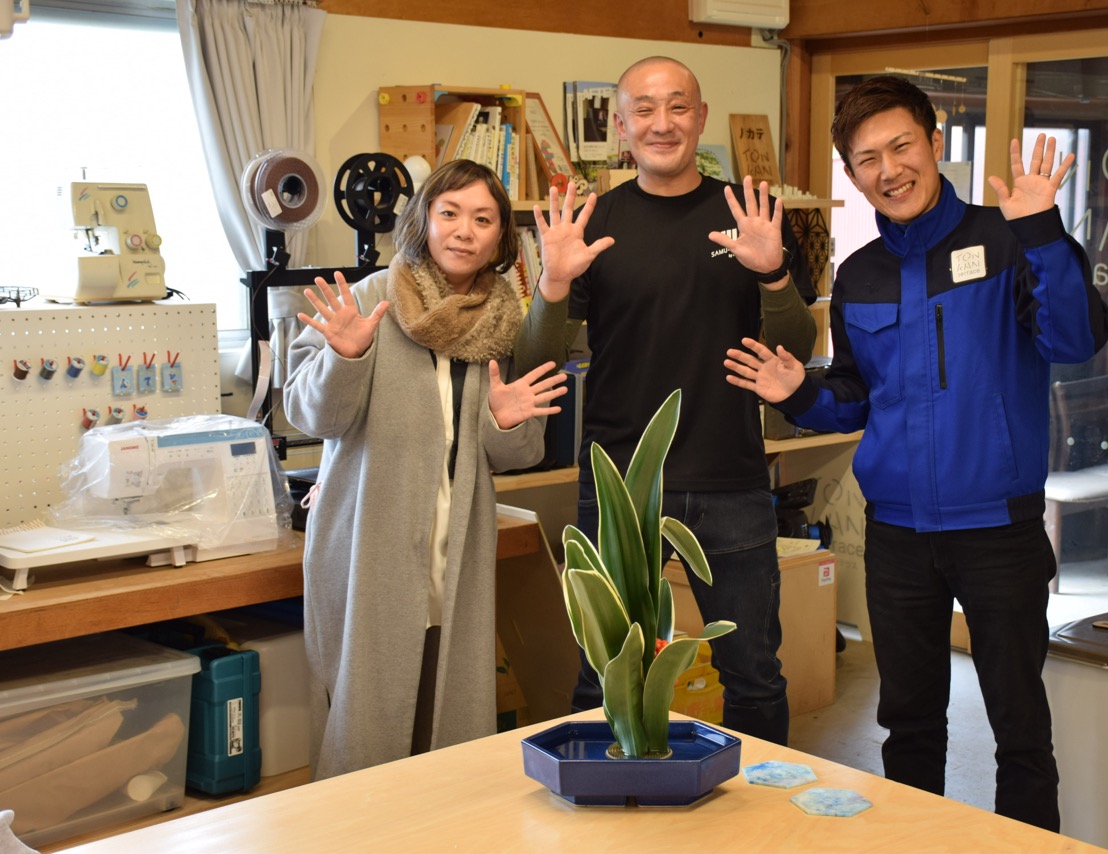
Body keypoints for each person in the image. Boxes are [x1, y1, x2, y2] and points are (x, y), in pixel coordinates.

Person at [724, 75, 1108, 830]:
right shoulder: (859, 272)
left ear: (935, 143)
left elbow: (1076, 340)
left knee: (1020, 730)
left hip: (998, 529)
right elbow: (856, 393)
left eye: (902, 145)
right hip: (899, 536)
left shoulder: (1008, 240)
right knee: (908, 727)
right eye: (867, 158)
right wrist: (796, 393)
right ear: (852, 172)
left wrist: (1044, 232)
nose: (888, 169)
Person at [515, 56, 818, 747]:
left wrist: (772, 273)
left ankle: (756, 822)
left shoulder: (747, 215)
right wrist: (553, 284)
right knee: (603, 674)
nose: (662, 123)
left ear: (701, 118)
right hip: (622, 486)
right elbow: (533, 363)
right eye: (644, 109)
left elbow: (797, 343)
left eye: (678, 107)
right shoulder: (598, 221)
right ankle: (604, 810)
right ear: (621, 126)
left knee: (754, 674)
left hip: (732, 480)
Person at [283, 159, 567, 779]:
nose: (464, 230)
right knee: (365, 716)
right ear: (424, 220)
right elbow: (310, 415)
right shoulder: (368, 302)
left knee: (444, 718)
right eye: (450, 213)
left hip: (455, 547)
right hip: (370, 542)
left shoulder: (505, 324)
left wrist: (510, 421)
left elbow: (519, 456)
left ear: (500, 239)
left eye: (483, 218)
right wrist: (344, 355)